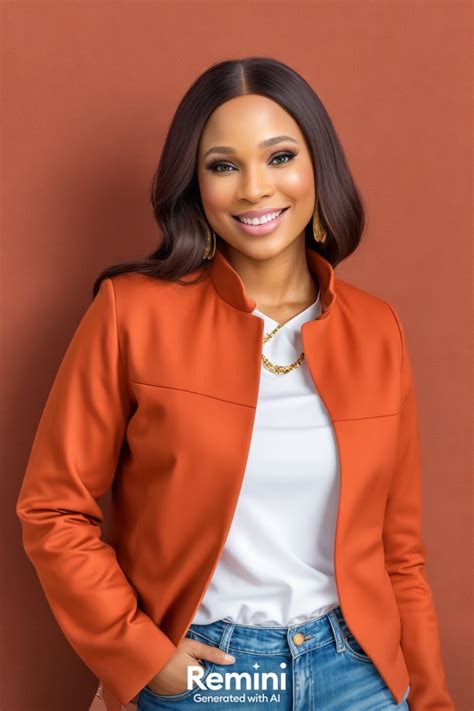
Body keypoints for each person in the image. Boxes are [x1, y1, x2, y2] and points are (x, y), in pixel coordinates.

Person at [16, 56, 454, 711]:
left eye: (280, 157)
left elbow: (400, 554)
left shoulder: (376, 328)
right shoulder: (131, 312)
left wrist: (431, 698)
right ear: (195, 185)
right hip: (211, 674)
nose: (255, 188)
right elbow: (54, 509)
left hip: (356, 670)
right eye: (224, 166)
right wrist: (143, 656)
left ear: (318, 166)